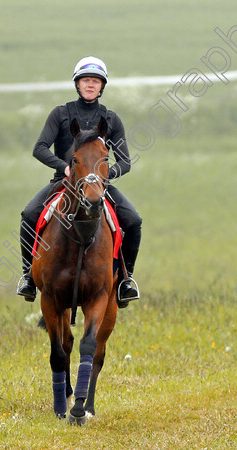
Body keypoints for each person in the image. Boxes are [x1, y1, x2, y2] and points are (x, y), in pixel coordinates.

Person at [16, 56, 142, 308]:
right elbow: (39, 147)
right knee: (29, 214)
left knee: (133, 221)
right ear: (77, 84)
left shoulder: (111, 120)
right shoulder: (60, 114)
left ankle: (125, 280)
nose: (90, 85)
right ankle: (28, 276)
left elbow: (125, 161)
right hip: (64, 183)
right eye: (86, 80)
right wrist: (63, 167)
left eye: (96, 81)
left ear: (102, 86)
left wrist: (105, 176)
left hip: (98, 186)